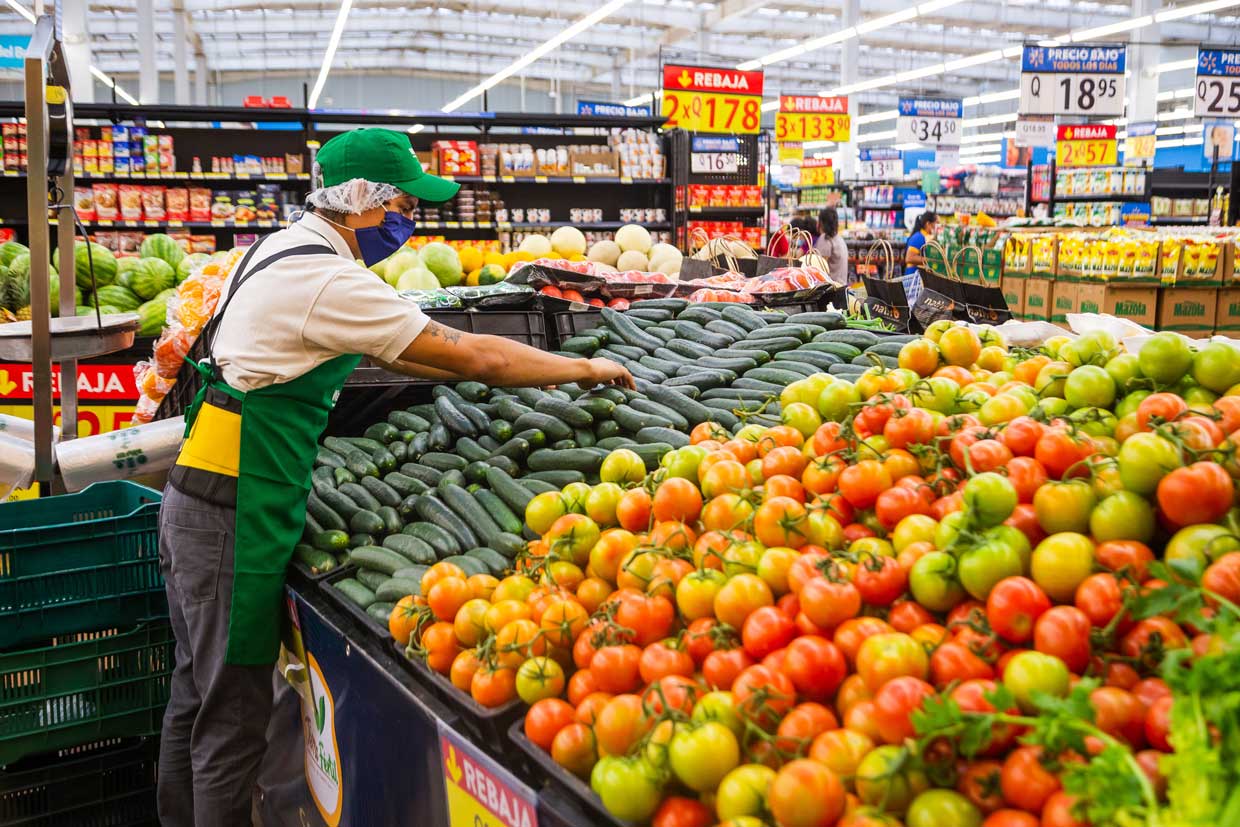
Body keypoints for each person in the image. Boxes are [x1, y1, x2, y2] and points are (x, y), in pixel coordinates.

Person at [155, 127, 632, 827]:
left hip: (204, 493)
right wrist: (585, 368)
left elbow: (409, 355)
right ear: (360, 202)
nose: (409, 220)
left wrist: (451, 363)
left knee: (196, 698)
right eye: (403, 204)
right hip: (234, 507)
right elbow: (479, 357)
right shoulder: (325, 276)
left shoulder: (287, 247)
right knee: (230, 720)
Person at [902, 210, 938, 306]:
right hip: (912, 279)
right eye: (935, 224)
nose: (936, 227)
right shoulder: (918, 237)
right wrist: (930, 261)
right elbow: (909, 258)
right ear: (928, 224)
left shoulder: (926, 237)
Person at [813, 207, 848, 285]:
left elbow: (819, 267)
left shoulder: (825, 239)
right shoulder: (839, 239)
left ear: (821, 223)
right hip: (841, 285)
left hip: (831, 289)